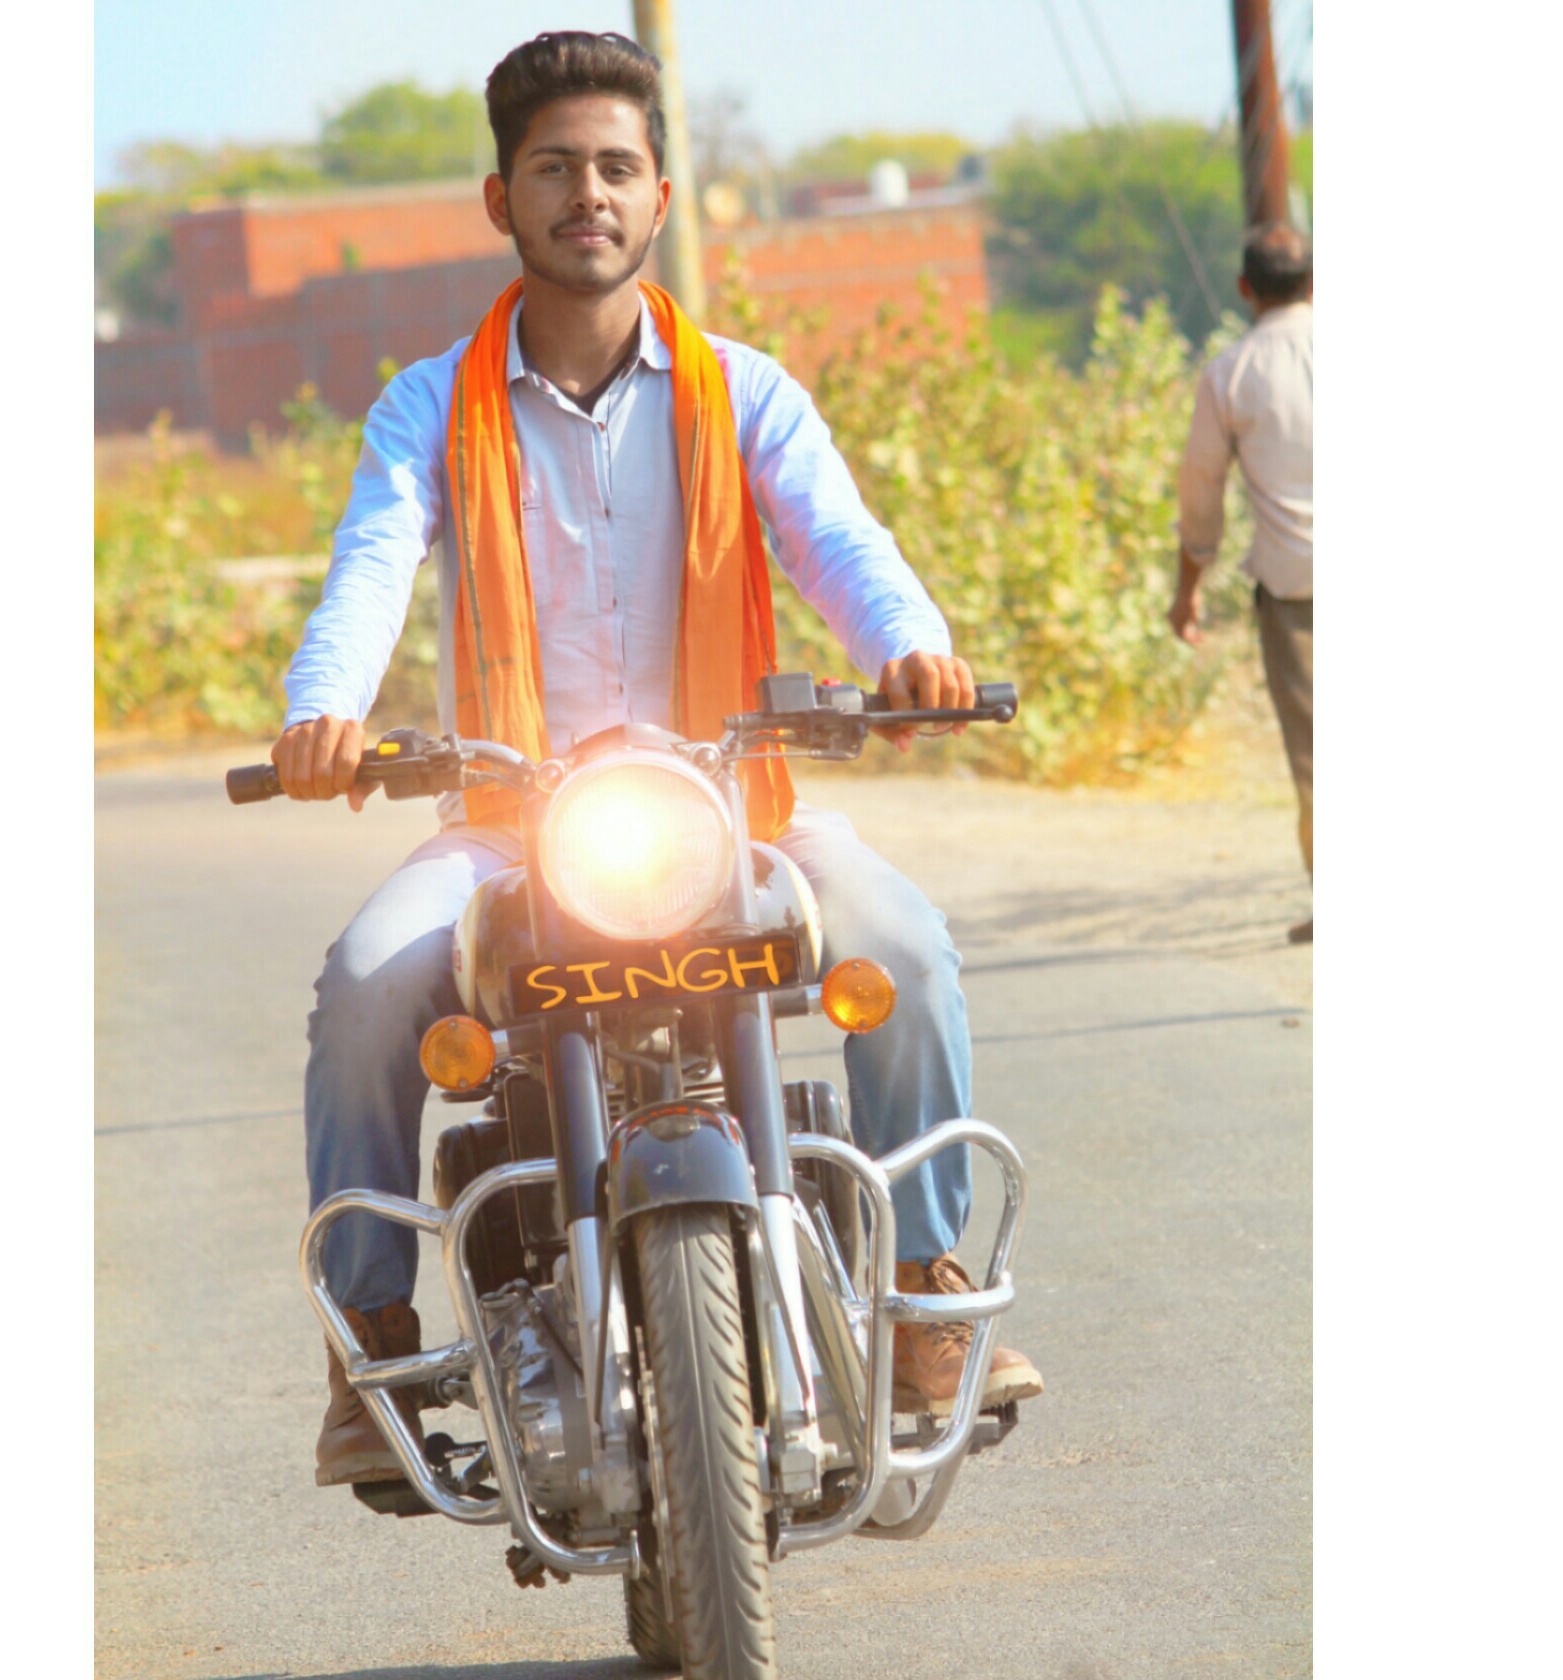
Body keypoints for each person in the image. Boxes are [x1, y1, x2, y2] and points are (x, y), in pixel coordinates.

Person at [273, 31, 1043, 1488]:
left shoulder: (743, 390)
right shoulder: (428, 406)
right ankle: (368, 1343)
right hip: (511, 823)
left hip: (728, 807)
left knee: (910, 950)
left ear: (659, 198)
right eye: (555, 168)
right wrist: (326, 710)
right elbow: (370, 567)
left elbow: (838, 539)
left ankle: (925, 1286)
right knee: (366, 987)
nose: (590, 194)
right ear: (500, 198)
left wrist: (910, 647)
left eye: (616, 168)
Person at [1171, 221, 1313, 943]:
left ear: (1243, 289)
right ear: (1315, 282)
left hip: (1294, 590)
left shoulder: (1230, 373)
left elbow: (1201, 492)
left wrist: (1187, 587)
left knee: (1317, 754)